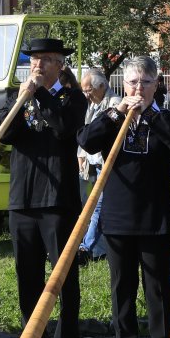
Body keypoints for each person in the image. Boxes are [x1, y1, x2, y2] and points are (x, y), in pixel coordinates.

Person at [77, 54, 170, 338]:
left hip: (155, 217)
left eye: (145, 82)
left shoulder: (166, 117)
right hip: (118, 216)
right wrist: (117, 113)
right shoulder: (112, 116)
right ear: (123, 85)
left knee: (157, 288)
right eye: (133, 82)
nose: (139, 88)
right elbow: (86, 141)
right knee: (121, 287)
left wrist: (148, 114)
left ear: (156, 84)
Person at [0, 37, 88, 338]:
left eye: (46, 59)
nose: (37, 65)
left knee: (63, 276)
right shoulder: (20, 95)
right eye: (34, 59)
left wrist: (40, 94)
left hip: (57, 199)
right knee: (28, 274)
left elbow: (64, 127)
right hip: (22, 197)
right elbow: (2, 133)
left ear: (60, 65)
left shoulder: (72, 97)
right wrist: (22, 99)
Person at [75, 69, 114, 263]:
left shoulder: (114, 104)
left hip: (107, 166)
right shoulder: (93, 105)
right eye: (83, 90)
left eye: (88, 90)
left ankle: (88, 248)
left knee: (98, 207)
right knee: (94, 206)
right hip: (94, 165)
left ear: (101, 86)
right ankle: (92, 246)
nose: (86, 94)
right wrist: (82, 155)